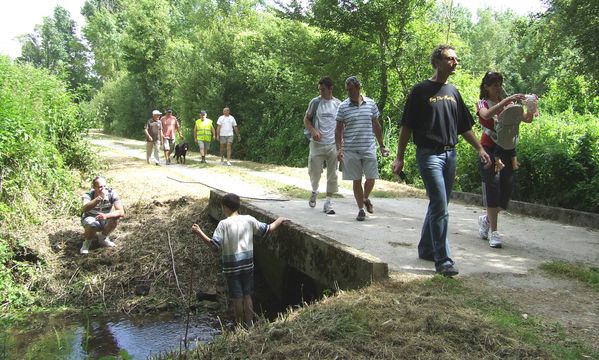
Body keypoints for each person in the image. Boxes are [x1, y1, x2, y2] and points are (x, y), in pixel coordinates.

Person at [392, 45, 491, 277]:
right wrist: (399, 157)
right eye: (450, 58)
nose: (455, 62)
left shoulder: (453, 91)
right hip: (429, 155)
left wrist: (480, 149)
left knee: (441, 204)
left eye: (456, 59)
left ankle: (427, 248)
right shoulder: (420, 91)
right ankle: (443, 260)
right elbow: (407, 126)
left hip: (450, 154)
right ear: (437, 61)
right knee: (439, 204)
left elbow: (464, 127)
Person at [191, 193, 286, 327]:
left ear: (225, 208)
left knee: (237, 297)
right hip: (247, 265)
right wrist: (279, 220)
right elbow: (267, 230)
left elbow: (214, 246)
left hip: (232, 267)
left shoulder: (223, 225)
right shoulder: (248, 219)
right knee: (247, 295)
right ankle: (249, 325)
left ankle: (240, 325)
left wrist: (199, 232)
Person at [476, 71, 535, 248]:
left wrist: (531, 107)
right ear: (486, 87)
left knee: (506, 191)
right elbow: (486, 115)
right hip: (489, 150)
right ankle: (494, 232)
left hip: (507, 150)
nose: (498, 87)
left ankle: (485, 219)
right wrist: (506, 101)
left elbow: (526, 119)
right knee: (492, 187)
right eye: (494, 84)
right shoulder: (483, 103)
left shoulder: (509, 105)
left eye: (499, 83)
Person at [335, 76, 389, 221]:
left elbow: (376, 126)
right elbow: (338, 130)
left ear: (358, 88)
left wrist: (382, 146)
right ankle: (360, 210)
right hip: (351, 149)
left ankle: (365, 198)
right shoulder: (343, 107)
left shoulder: (370, 104)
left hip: (368, 147)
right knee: (356, 180)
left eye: (351, 90)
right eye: (347, 90)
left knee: (371, 178)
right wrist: (339, 149)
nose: (348, 93)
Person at [304, 76, 342, 214]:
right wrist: (313, 130)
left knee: (333, 175)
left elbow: (342, 126)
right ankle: (314, 190)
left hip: (333, 144)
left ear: (331, 88)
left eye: (323, 90)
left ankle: (328, 203)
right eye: (320, 90)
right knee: (314, 172)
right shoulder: (315, 102)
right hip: (317, 144)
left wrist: (341, 146)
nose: (321, 92)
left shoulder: (338, 104)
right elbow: (306, 119)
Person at [80, 176, 125, 255]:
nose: (103, 189)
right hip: (90, 218)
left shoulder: (112, 194)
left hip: (104, 218)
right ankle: (86, 243)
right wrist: (99, 198)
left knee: (114, 218)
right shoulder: (88, 194)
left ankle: (103, 238)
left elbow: (121, 212)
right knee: (92, 224)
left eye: (104, 186)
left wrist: (106, 216)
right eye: (100, 187)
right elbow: (85, 208)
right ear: (94, 187)